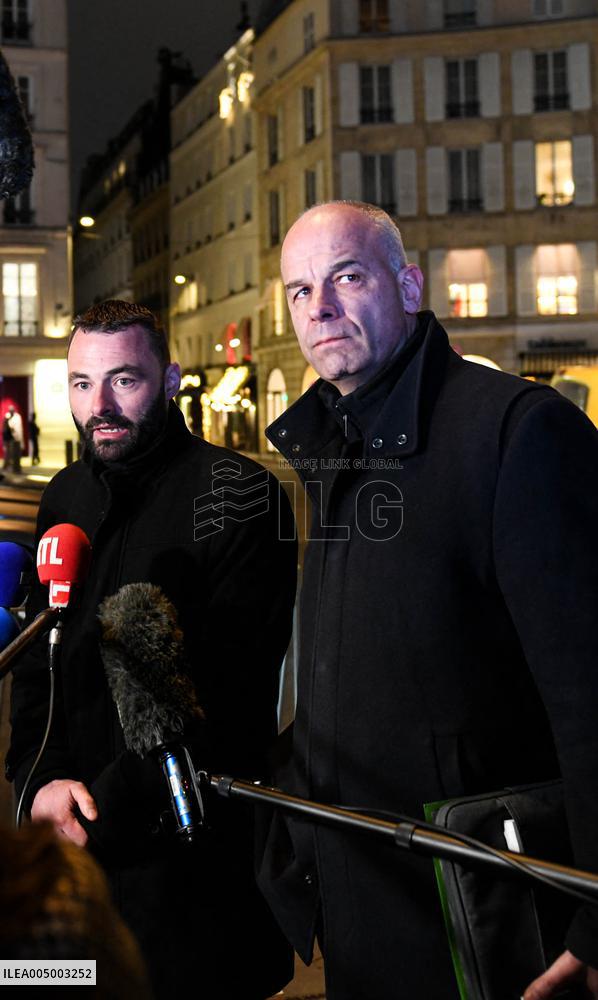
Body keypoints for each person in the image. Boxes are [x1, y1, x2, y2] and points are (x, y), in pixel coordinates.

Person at [257, 201, 598, 1000]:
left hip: (488, 923)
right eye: (300, 291)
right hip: (365, 902)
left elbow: (590, 693)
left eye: (346, 276)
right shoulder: (334, 444)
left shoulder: (517, 431)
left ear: (408, 284)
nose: (322, 308)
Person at [7, 300, 297, 999]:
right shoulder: (65, 497)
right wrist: (36, 788)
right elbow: (39, 671)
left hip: (189, 887)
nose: (98, 405)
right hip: (70, 877)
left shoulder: (243, 497)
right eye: (81, 383)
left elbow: (229, 700)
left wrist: (92, 812)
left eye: (123, 381)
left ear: (168, 381)